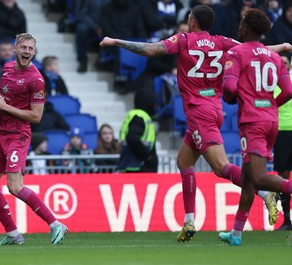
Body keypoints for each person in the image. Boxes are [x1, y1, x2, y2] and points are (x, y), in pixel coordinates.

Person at [100, 4, 292, 242]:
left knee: (221, 168)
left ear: (192, 22)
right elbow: (253, 50)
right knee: (183, 161)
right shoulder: (221, 42)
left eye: (189, 17)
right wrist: (281, 47)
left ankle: (265, 194)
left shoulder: (184, 40)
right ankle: (189, 220)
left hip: (199, 112)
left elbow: (151, 50)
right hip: (212, 109)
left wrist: (117, 41)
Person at [0, 33, 67, 245]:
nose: (27, 51)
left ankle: (55, 224)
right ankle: (12, 233)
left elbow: (36, 116)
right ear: (15, 49)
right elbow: (5, 100)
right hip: (0, 133)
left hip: (18, 136)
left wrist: (4, 107)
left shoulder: (36, 79)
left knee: (15, 186)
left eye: (30, 48)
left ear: (34, 52)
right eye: (23, 47)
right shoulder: (7, 68)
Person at [219, 9, 292, 246]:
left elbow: (229, 88)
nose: (239, 27)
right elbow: (288, 91)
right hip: (270, 120)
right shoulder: (274, 58)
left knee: (259, 177)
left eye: (241, 24)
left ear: (245, 28)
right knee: (249, 178)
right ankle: (236, 234)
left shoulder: (236, 52)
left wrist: (233, 98)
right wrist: (271, 104)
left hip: (252, 121)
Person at [117, 88, 158, 172]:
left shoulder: (135, 115)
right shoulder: (140, 117)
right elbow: (132, 138)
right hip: (138, 167)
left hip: (131, 165)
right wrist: (147, 156)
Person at [273, 54, 292, 231]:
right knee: (284, 176)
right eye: (281, 63)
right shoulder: (271, 82)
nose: (283, 66)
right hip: (280, 132)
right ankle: (287, 220)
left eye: (286, 63)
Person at [74, 0, 109, 73]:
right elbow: (81, 14)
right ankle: (82, 60)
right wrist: (96, 27)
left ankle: (104, 61)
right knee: (81, 29)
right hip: (90, 25)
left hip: (107, 26)